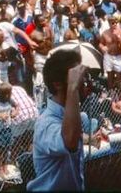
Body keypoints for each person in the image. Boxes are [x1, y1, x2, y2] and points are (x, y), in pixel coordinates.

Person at [29, 48, 85, 191]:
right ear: (58, 84)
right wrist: (73, 88)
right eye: (76, 77)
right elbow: (70, 142)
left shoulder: (69, 116)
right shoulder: (46, 123)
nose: (82, 81)